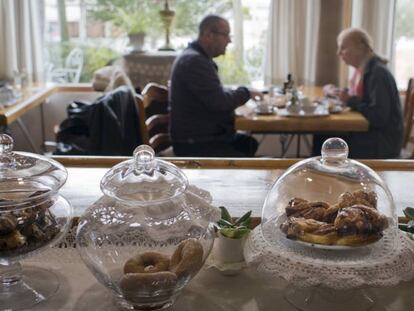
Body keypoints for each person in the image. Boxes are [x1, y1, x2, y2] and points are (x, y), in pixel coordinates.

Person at [169, 15, 262, 157]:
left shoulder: (196, 58)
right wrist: (246, 93)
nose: (229, 40)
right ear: (208, 35)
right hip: (196, 144)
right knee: (250, 155)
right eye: (225, 34)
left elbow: (214, 95)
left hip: (200, 137)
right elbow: (220, 102)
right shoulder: (194, 62)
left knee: (249, 144)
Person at [313, 28, 403, 159]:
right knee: (322, 136)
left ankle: (324, 177)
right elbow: (363, 100)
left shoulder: (378, 74)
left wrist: (350, 100)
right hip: (373, 136)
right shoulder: (365, 70)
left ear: (361, 47)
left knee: (323, 139)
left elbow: (379, 117)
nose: (339, 53)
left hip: (382, 144)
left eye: (343, 48)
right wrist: (338, 93)